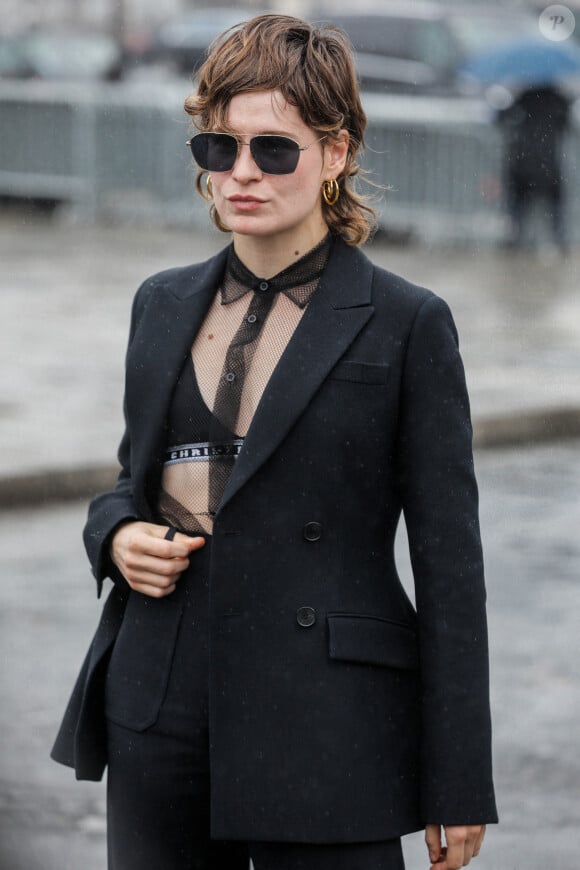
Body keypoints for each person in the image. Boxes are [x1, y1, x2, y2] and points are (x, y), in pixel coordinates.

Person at [51, 13, 497, 870]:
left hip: (330, 726)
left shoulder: (409, 324)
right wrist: (114, 534)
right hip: (162, 706)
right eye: (219, 149)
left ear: (335, 154)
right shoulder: (160, 302)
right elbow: (132, 479)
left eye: (274, 150)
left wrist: (458, 777)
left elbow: (452, 568)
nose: (242, 173)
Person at [497, 83, 571, 252]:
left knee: (518, 208)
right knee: (555, 208)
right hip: (548, 163)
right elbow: (566, 124)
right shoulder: (558, 100)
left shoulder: (524, 96)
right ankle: (559, 241)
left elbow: (501, 118)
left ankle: (513, 242)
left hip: (522, 162)